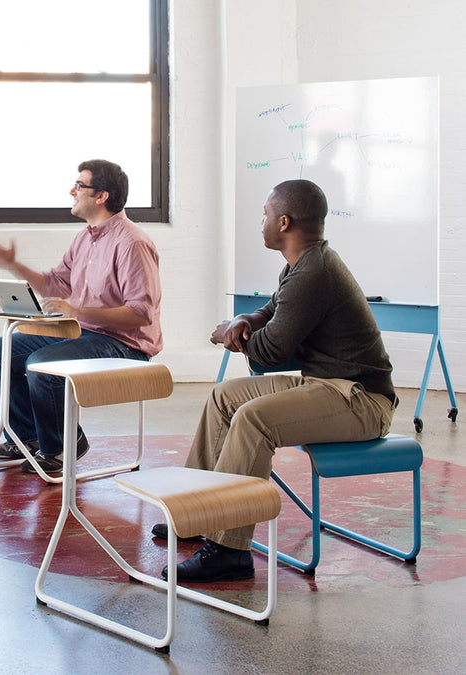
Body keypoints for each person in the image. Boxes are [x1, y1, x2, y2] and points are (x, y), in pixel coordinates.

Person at [156, 179, 397, 582]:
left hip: (362, 401)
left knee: (254, 419)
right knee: (223, 398)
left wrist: (227, 336)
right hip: (325, 385)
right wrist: (243, 320)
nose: (262, 222)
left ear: (283, 222)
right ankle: (197, 512)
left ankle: (229, 549)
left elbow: (268, 352)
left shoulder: (313, 273)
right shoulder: (302, 264)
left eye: (265, 215)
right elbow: (268, 312)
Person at [0, 159, 162, 474]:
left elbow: (141, 313)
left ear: (101, 196)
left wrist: (78, 312)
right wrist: (14, 265)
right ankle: (27, 438)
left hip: (124, 344)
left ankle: (63, 445)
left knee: (41, 362)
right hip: (84, 333)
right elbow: (55, 283)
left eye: (79, 186)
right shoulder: (85, 237)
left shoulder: (132, 242)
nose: (72, 191)